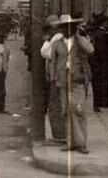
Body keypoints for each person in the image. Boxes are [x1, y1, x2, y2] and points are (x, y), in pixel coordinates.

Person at [48, 13, 94, 154]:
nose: (67, 30)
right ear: (61, 29)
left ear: (74, 28)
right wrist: (53, 77)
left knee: (79, 110)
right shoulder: (57, 44)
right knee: (66, 110)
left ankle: (81, 143)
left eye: (70, 28)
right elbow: (53, 63)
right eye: (64, 28)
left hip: (77, 79)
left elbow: (91, 50)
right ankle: (70, 142)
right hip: (62, 80)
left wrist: (80, 37)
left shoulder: (80, 42)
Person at [39, 14, 67, 143]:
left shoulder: (56, 38)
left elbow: (45, 52)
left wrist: (47, 40)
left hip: (56, 76)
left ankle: (59, 134)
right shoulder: (58, 38)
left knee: (55, 106)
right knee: (56, 105)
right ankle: (60, 133)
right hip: (57, 75)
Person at [91, 14, 108, 111]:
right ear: (104, 23)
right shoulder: (103, 34)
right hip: (104, 61)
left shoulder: (100, 33)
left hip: (100, 61)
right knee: (106, 81)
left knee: (103, 81)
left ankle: (102, 101)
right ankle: (105, 101)